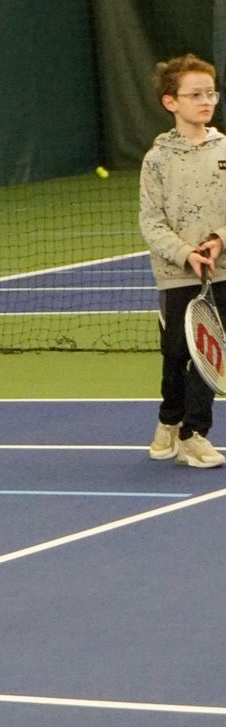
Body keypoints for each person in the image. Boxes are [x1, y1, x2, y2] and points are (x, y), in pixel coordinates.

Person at [140, 54, 226, 468]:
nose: (206, 101)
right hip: (176, 275)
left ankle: (195, 433)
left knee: (211, 352)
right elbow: (152, 223)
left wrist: (219, 241)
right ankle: (169, 419)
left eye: (211, 93)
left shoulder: (225, 150)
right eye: (195, 95)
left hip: (222, 271)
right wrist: (185, 253)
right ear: (171, 102)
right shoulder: (157, 159)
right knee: (177, 353)